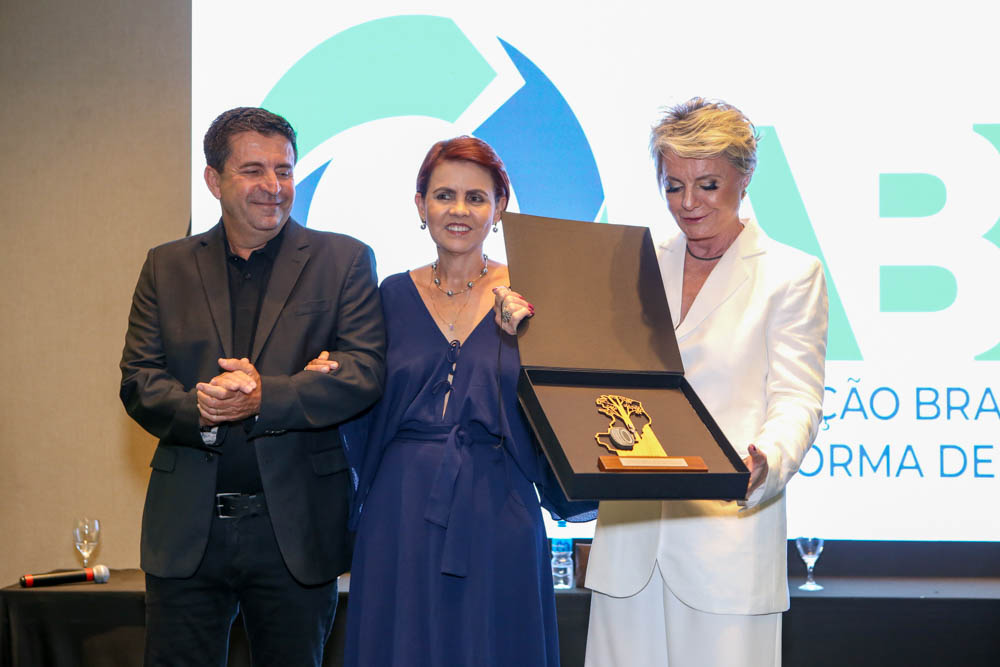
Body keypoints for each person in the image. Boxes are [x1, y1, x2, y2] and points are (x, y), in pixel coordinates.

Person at [496, 98, 828, 666]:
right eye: (674, 186)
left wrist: (767, 460)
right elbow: (581, 363)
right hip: (628, 545)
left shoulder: (791, 275)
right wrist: (523, 319)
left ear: (744, 177)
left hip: (726, 544)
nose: (688, 203)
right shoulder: (633, 260)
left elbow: (798, 399)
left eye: (708, 185)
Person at [305, 136, 595, 667]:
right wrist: (329, 378)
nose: (459, 210)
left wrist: (534, 340)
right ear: (421, 206)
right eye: (444, 195)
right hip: (398, 510)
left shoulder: (534, 297)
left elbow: (574, 409)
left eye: (476, 197)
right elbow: (362, 403)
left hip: (499, 505)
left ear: (499, 209)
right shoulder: (388, 295)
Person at [119, 107, 386, 667]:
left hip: (296, 530)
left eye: (284, 170)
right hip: (187, 528)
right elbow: (139, 380)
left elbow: (363, 372)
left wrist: (268, 397)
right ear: (213, 180)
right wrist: (202, 408)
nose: (274, 185)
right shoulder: (165, 266)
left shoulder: (343, 260)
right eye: (253, 170)